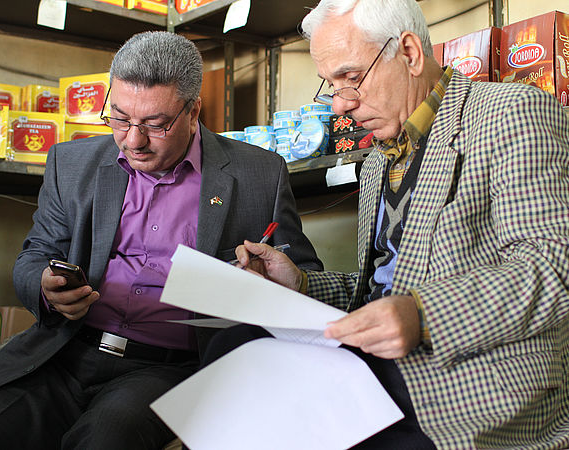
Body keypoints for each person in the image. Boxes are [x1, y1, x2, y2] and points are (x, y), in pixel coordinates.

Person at [222, 0, 569, 448]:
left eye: (351, 77)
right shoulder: (377, 163)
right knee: (235, 347)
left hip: (466, 381)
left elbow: (553, 266)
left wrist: (423, 316)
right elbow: (386, 289)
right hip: (383, 365)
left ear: (409, 53)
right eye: (331, 86)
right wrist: (302, 285)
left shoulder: (511, 114)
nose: (342, 105)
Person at [0, 31, 322, 449]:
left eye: (155, 125)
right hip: (63, 349)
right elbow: (34, 256)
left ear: (193, 111)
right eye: (119, 118)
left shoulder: (259, 175)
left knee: (105, 440)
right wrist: (46, 288)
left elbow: (304, 278)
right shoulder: (72, 163)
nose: (133, 140)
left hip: (167, 369)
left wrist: (266, 285)